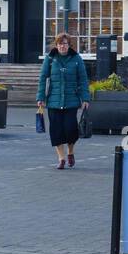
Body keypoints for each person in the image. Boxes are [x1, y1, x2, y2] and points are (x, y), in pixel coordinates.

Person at [37, 33, 90, 170]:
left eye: (65, 43)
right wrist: (40, 97)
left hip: (71, 100)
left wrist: (85, 98)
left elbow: (83, 79)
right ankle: (61, 158)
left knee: (70, 130)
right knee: (56, 131)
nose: (62, 46)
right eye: (60, 44)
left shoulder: (76, 58)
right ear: (56, 45)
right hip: (53, 101)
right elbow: (43, 78)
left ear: (69, 45)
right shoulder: (50, 58)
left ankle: (70, 152)